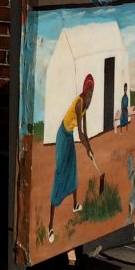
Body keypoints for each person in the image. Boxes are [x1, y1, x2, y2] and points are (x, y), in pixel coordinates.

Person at [48, 74, 97, 243]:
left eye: (92, 92)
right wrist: (86, 147)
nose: (91, 96)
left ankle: (75, 205)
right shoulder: (79, 104)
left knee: (73, 168)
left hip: (69, 137)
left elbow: (85, 131)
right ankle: (50, 226)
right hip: (63, 135)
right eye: (89, 92)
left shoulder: (86, 105)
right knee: (61, 172)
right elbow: (80, 134)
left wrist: (90, 150)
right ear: (85, 90)